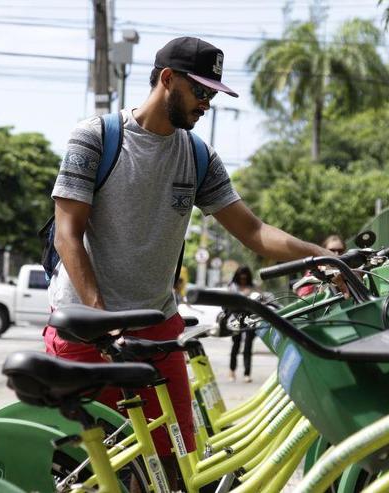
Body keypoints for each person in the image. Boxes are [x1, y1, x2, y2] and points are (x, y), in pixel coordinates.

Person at [43, 36, 334, 483]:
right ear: (166, 80)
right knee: (90, 470)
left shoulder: (198, 157)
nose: (207, 103)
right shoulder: (98, 138)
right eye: (200, 91)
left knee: (177, 469)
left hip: (156, 331)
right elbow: (68, 235)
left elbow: (253, 231)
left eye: (213, 94)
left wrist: (323, 258)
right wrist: (102, 320)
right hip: (86, 329)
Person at [227, 266, 257, 383]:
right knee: (236, 344)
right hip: (236, 316)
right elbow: (229, 302)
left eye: (245, 277)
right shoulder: (232, 286)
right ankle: (232, 370)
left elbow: (258, 300)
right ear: (238, 276)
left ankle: (247, 373)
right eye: (241, 277)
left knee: (248, 346)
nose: (243, 279)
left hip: (250, 317)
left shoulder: (253, 287)